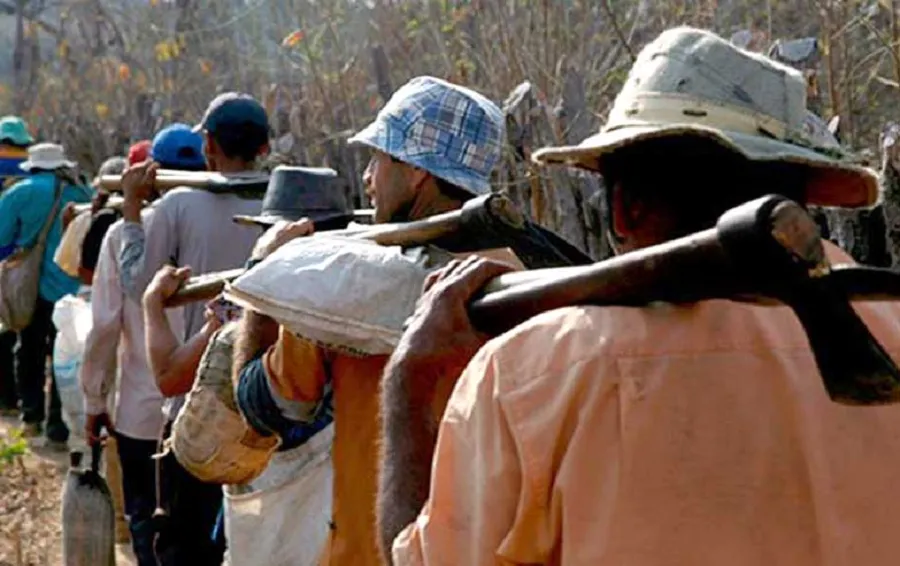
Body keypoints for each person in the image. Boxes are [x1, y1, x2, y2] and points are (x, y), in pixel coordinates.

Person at [376, 27, 900, 565]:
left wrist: (407, 388)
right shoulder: (890, 329)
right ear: (800, 190)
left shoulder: (530, 377)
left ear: (624, 207)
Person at [231, 76, 511, 565]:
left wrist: (265, 275)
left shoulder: (342, 283)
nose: (367, 180)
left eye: (378, 161)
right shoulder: (522, 278)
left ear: (415, 172)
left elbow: (263, 407)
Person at [118, 94, 268, 566]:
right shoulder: (286, 200)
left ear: (208, 145)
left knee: (184, 543)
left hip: (197, 399)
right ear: (264, 147)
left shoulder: (179, 205)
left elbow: (139, 283)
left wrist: (130, 213)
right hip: (269, 399)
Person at [79, 124, 206, 565]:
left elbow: (104, 328)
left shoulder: (121, 235)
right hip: (204, 412)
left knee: (145, 520)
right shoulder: (221, 224)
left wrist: (94, 399)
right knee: (196, 531)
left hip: (140, 411)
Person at [0, 143, 92, 447]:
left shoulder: (20, 192)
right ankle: (57, 427)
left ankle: (31, 416)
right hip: (71, 290)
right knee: (64, 355)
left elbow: (2, 236)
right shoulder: (81, 193)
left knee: (28, 350)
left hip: (32, 287)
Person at [0, 115, 34, 416]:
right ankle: (16, 397)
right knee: (18, 332)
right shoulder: (30, 170)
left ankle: (5, 397)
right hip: (23, 264)